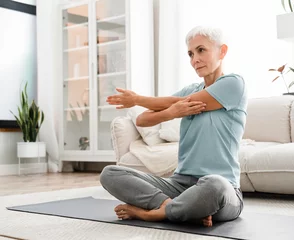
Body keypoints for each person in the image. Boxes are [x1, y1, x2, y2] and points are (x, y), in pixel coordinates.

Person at [100, 26, 248, 227]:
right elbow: (142, 120)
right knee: (110, 173)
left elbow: (184, 101)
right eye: (190, 53)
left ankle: (154, 214)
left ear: (222, 51)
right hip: (180, 184)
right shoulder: (190, 90)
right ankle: (177, 207)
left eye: (201, 50)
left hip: (224, 188)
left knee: (214, 185)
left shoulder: (233, 84)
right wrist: (172, 113)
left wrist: (136, 99)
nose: (194, 59)